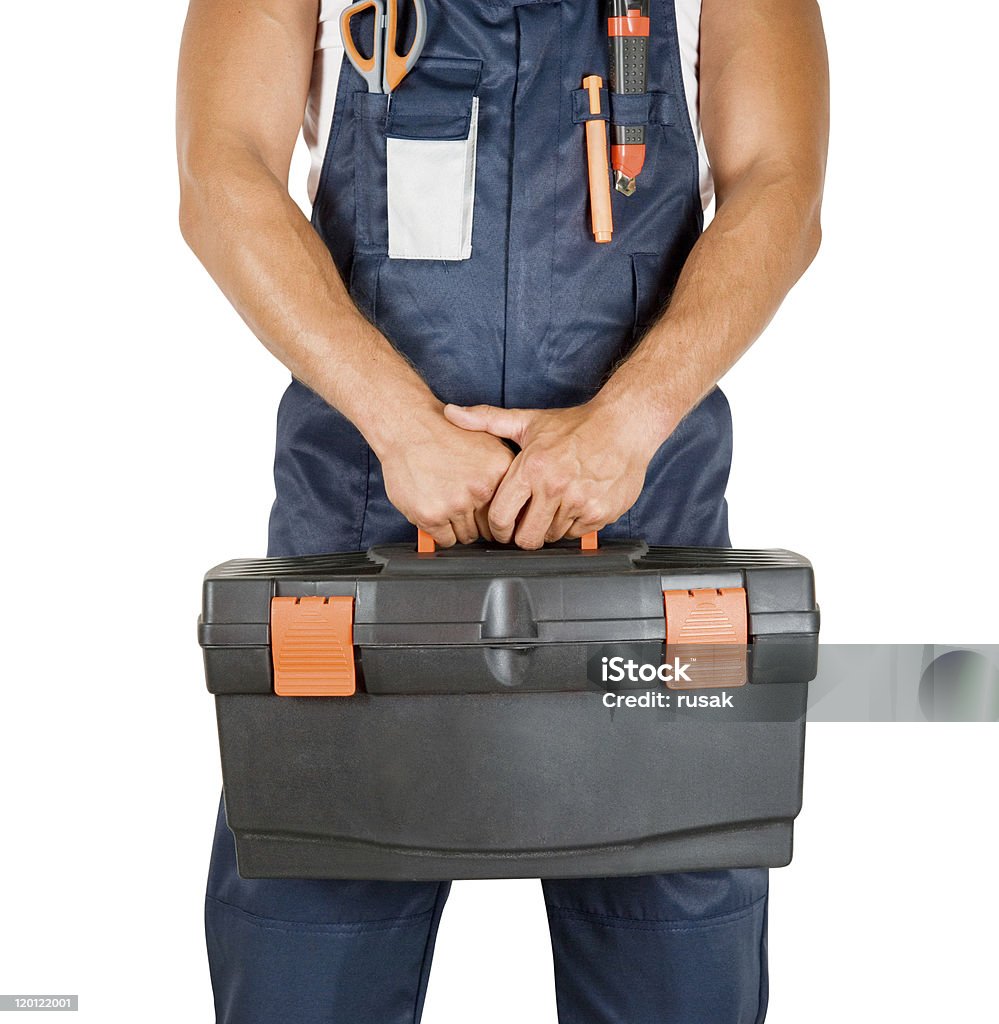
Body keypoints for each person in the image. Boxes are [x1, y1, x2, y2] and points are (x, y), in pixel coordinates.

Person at [177, 0, 828, 1019]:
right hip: (361, 539)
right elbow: (221, 176)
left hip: (649, 545)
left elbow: (779, 187)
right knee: (305, 968)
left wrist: (626, 424)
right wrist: (400, 428)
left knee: (679, 976)